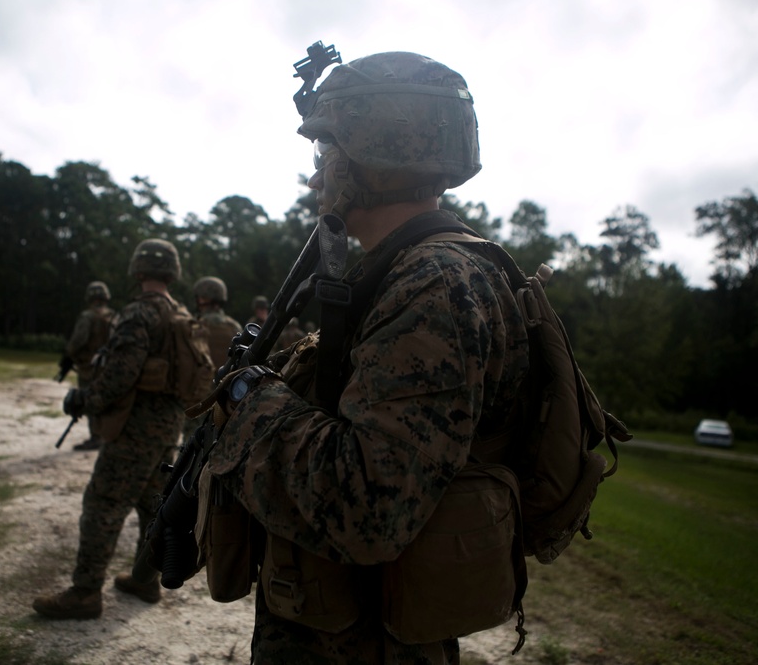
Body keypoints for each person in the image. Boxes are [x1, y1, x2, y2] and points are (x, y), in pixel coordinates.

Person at [197, 51, 530, 663]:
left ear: (371, 157)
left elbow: (368, 505)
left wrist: (250, 397)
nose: (316, 177)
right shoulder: (406, 273)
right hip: (346, 622)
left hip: (366, 641)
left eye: (326, 153)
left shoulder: (434, 286)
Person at [33, 239, 189, 620]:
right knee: (153, 506)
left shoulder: (139, 314)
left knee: (103, 503)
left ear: (137, 271)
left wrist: (82, 400)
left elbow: (120, 376)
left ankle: (85, 593)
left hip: (134, 429)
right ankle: (145, 579)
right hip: (169, 428)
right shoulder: (180, 315)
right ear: (172, 272)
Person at [61, 281, 115, 451]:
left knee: (90, 400)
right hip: (109, 366)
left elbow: (79, 340)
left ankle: (96, 437)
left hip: (89, 368)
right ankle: (106, 434)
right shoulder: (113, 316)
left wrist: (69, 354)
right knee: (105, 400)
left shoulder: (88, 316)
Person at [192, 276, 242, 369]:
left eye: (201, 297)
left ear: (205, 299)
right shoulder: (234, 326)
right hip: (227, 381)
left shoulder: (196, 325)